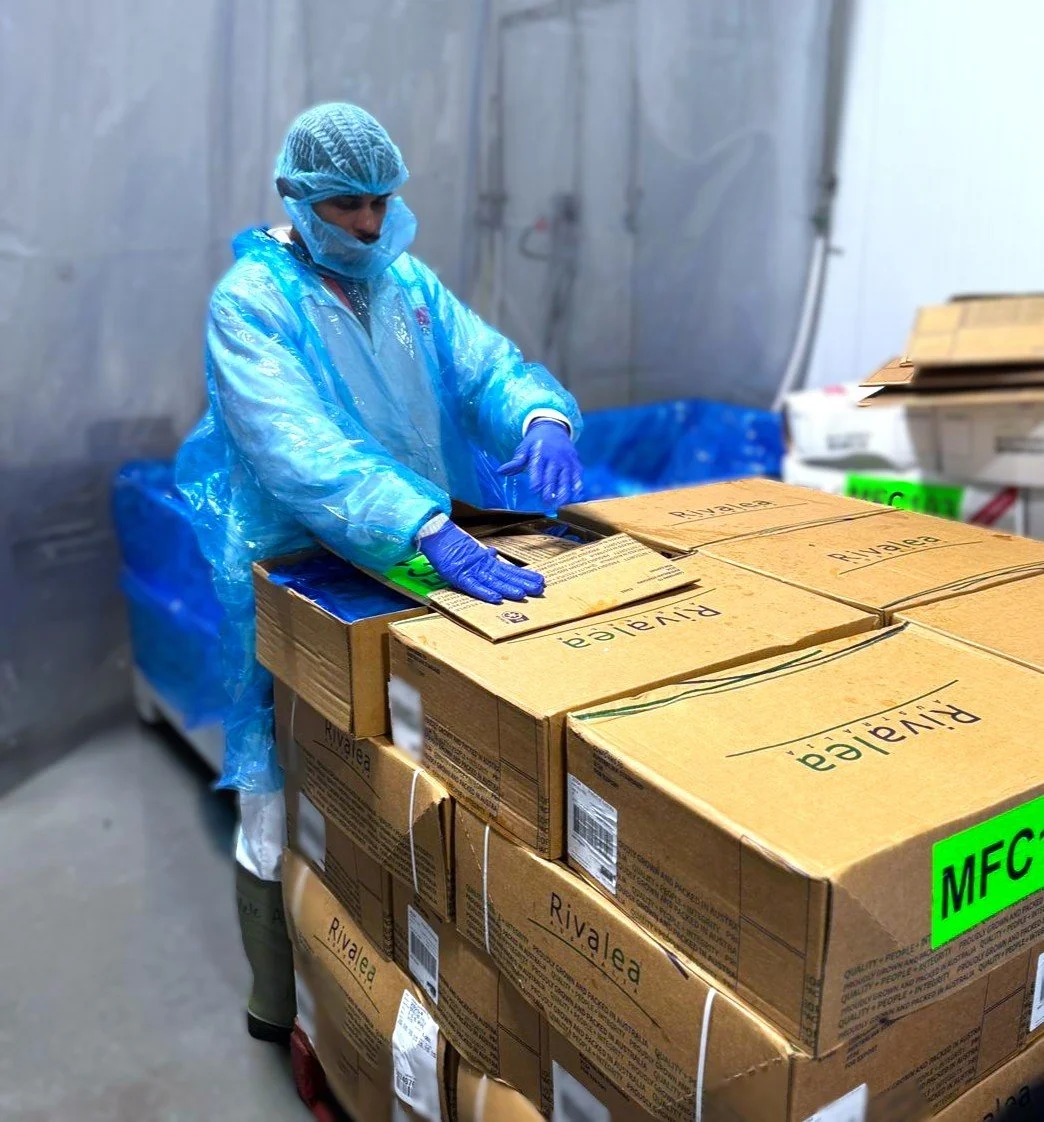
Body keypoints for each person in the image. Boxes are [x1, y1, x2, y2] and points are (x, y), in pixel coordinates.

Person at [175, 102, 583, 1042]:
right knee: (276, 790)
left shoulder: (406, 283)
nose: (369, 223)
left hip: (412, 556)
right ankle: (281, 1005)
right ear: (298, 197)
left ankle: (390, 978)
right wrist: (424, 524)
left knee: (392, 771)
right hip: (299, 570)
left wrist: (536, 416)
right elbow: (295, 449)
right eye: (348, 205)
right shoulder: (251, 302)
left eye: (382, 202)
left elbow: (484, 366)